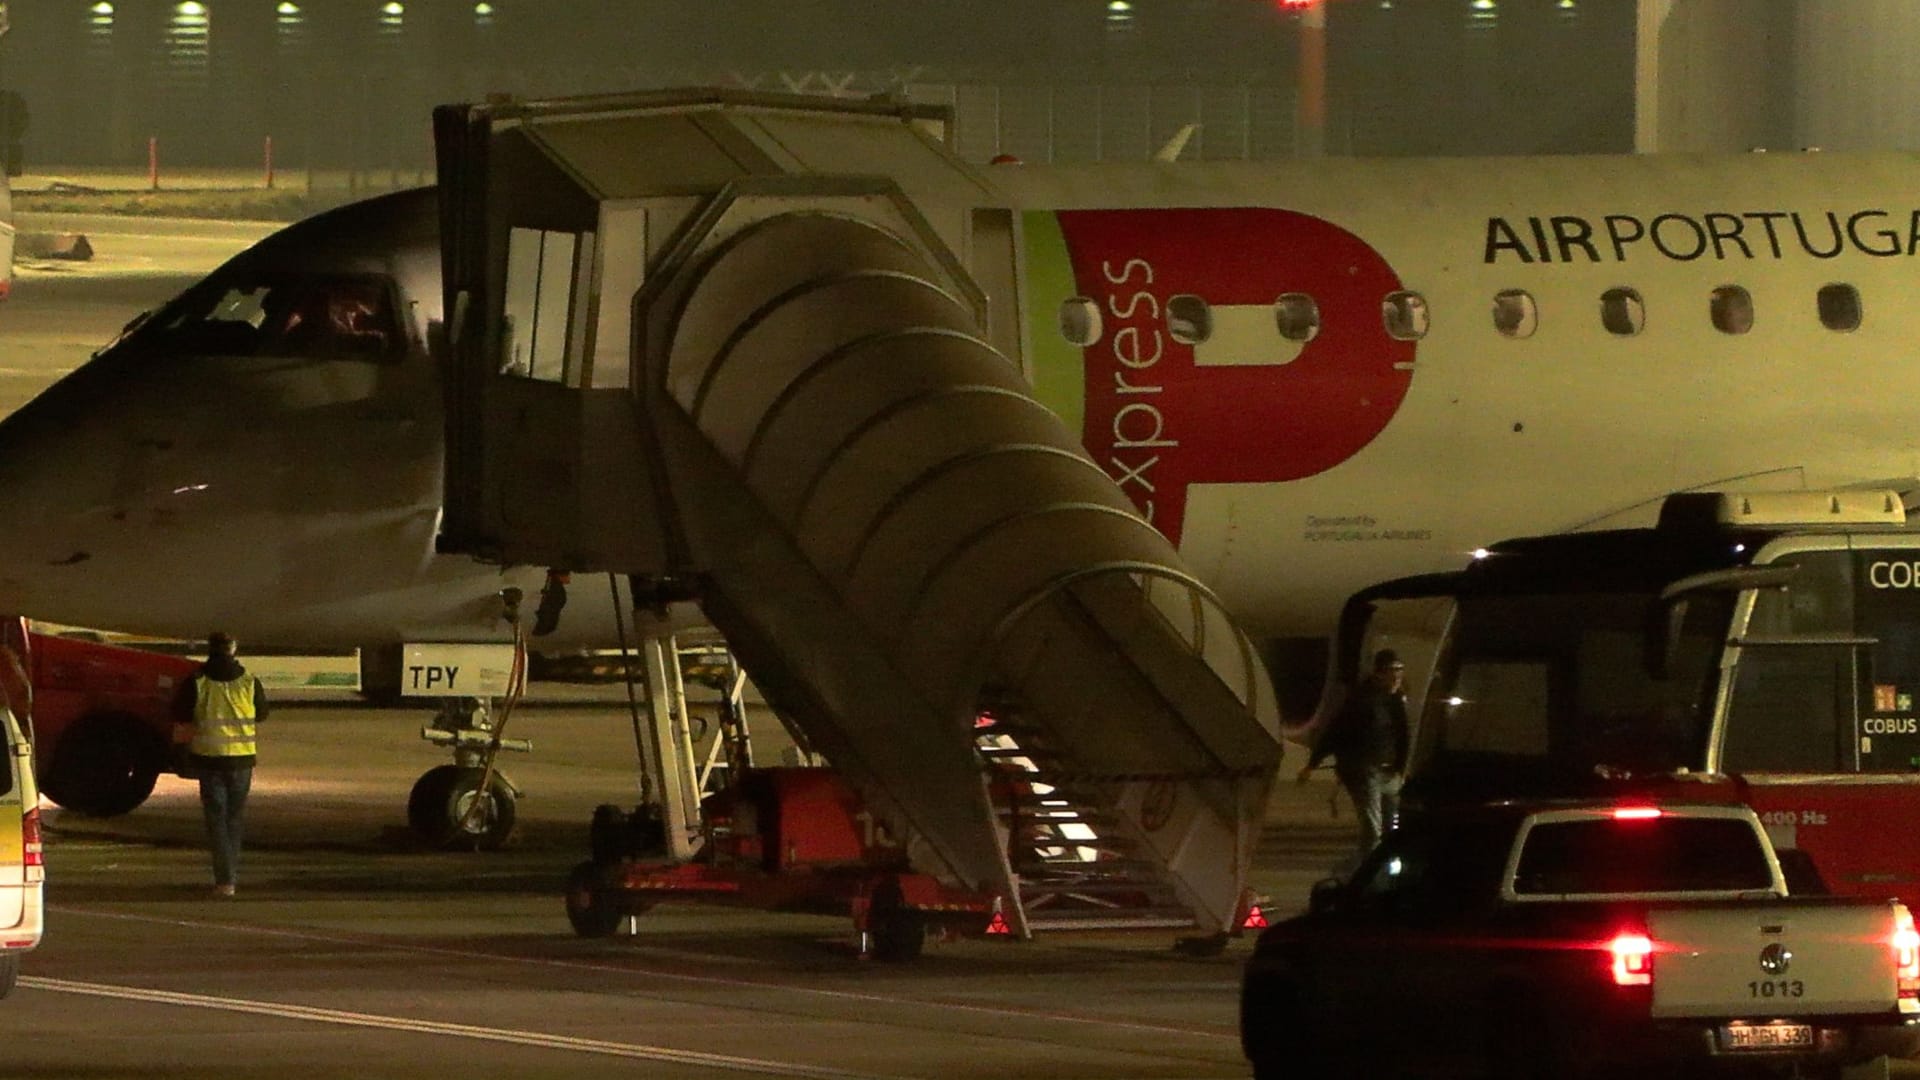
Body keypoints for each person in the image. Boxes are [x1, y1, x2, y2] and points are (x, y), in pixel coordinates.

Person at [173, 632, 268, 897]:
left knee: (216, 820)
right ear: (233, 649)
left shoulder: (197, 681)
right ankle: (230, 876)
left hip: (209, 760)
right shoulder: (249, 682)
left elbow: (180, 715)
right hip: (241, 761)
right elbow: (262, 714)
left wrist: (180, 752)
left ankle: (224, 880)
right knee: (234, 819)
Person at [1298, 648, 1409, 859]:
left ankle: (1388, 871)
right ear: (1379, 673)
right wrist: (1312, 764)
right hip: (1364, 769)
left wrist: (1401, 769)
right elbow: (1335, 731)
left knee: (1392, 828)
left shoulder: (1396, 699)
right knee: (1372, 831)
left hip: (1389, 771)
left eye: (1399, 671)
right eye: (1392, 671)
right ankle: (1367, 876)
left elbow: (1403, 735)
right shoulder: (1362, 700)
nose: (1397, 677)